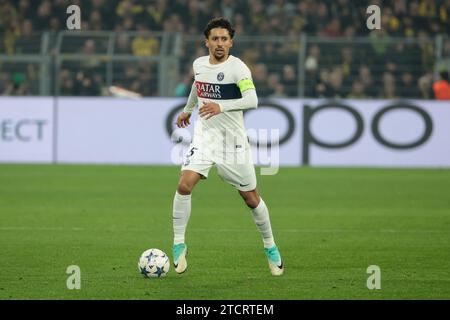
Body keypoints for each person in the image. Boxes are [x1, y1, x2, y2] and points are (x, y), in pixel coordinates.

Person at [172, 17, 283, 276]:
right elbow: (197, 87)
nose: (220, 44)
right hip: (205, 137)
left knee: (251, 199)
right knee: (184, 184)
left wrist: (221, 106)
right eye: (215, 39)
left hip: (233, 143)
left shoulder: (238, 69)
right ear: (207, 42)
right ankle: (179, 243)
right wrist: (189, 109)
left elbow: (252, 99)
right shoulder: (199, 64)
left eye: (224, 39)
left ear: (231, 42)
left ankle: (270, 246)